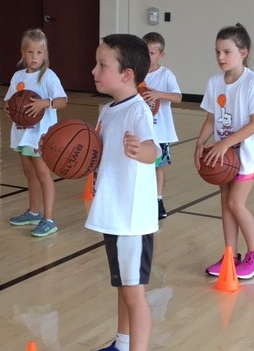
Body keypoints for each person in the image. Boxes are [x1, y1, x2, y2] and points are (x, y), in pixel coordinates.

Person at [85, 34, 160, 351]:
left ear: (126, 75)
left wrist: (138, 149)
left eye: (102, 65)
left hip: (131, 222)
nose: (93, 70)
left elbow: (153, 150)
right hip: (113, 214)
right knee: (122, 286)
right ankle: (122, 343)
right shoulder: (108, 110)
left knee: (134, 293)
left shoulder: (137, 111)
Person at [194, 23, 254, 279]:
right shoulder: (215, 82)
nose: (220, 57)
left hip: (248, 154)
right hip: (223, 156)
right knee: (226, 205)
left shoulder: (253, 83)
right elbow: (210, 118)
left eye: (226, 52)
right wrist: (200, 143)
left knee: (236, 203)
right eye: (217, 52)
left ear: (243, 52)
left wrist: (224, 143)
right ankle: (230, 255)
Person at [4, 29, 67, 237]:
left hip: (40, 136)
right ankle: (33, 211)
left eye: (39, 53)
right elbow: (8, 101)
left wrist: (44, 103)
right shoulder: (17, 76)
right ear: (23, 53)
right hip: (22, 134)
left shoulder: (48, 77)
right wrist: (10, 108)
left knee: (43, 175)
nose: (34, 57)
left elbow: (62, 101)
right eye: (30, 52)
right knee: (29, 174)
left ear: (45, 54)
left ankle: (48, 218)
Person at [142, 32, 182, 220]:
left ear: (161, 55)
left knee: (158, 168)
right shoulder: (136, 73)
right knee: (141, 168)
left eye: (151, 52)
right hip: (142, 132)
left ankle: (158, 201)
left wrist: (159, 94)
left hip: (161, 133)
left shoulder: (166, 75)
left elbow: (178, 97)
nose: (147, 56)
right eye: (144, 51)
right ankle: (142, 200)